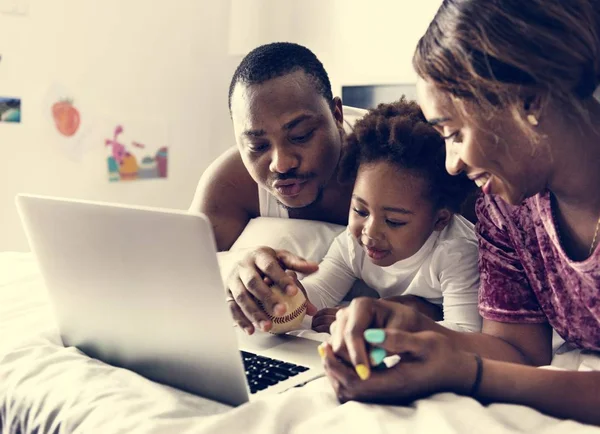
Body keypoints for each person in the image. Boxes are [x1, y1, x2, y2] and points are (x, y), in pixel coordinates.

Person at [319, 0, 600, 426]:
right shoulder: (507, 209)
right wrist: (412, 329)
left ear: (530, 100)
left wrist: (469, 374)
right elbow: (519, 350)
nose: (451, 164)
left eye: (454, 133)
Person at [298, 99, 481, 335]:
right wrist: (286, 296)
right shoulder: (354, 244)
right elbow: (318, 293)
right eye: (360, 211)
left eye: (394, 221)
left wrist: (378, 322)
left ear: (440, 220)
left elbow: (466, 331)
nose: (370, 232)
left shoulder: (457, 252)